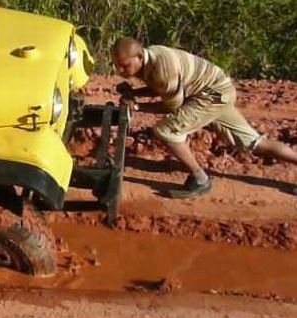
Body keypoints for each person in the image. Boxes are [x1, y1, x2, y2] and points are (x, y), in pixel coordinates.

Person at [111, 37, 297, 198]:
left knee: (166, 130)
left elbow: (172, 106)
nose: (121, 71)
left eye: (125, 65)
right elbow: (161, 88)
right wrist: (134, 93)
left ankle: (201, 179)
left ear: (140, 56)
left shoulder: (163, 68)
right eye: (118, 66)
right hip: (218, 91)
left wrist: (136, 105)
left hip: (212, 95)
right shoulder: (152, 56)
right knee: (253, 142)